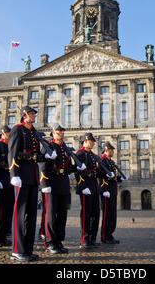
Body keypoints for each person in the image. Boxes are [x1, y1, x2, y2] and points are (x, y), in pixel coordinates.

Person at [8, 106, 52, 262]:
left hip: (33, 177)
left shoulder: (33, 132)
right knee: (20, 214)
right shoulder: (17, 129)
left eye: (34, 113)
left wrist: (45, 155)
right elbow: (13, 153)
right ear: (24, 115)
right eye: (32, 113)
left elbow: (36, 156)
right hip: (21, 176)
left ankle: (27, 249)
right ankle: (17, 250)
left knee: (32, 214)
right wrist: (14, 174)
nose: (34, 115)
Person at [40, 124, 82, 254]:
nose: (60, 133)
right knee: (51, 214)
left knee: (62, 214)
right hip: (51, 182)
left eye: (62, 131)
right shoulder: (49, 146)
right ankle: (50, 242)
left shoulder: (64, 148)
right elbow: (41, 165)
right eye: (58, 131)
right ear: (53, 133)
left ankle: (58, 240)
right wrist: (44, 184)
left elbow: (68, 167)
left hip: (63, 182)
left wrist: (77, 168)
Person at [75, 133, 113, 249]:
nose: (93, 143)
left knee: (95, 214)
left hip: (94, 185)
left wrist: (107, 174)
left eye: (93, 141)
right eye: (91, 141)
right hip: (86, 185)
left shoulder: (93, 155)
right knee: (86, 214)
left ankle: (92, 238)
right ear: (85, 141)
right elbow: (78, 171)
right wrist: (82, 186)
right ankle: (85, 239)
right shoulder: (80, 154)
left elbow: (97, 171)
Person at [99, 142, 126, 244]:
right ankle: (105, 236)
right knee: (107, 215)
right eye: (111, 149)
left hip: (113, 191)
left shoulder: (111, 162)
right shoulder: (102, 161)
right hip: (107, 191)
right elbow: (101, 177)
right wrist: (104, 190)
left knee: (112, 215)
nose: (113, 151)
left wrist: (120, 178)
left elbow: (112, 177)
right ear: (106, 150)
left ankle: (110, 234)